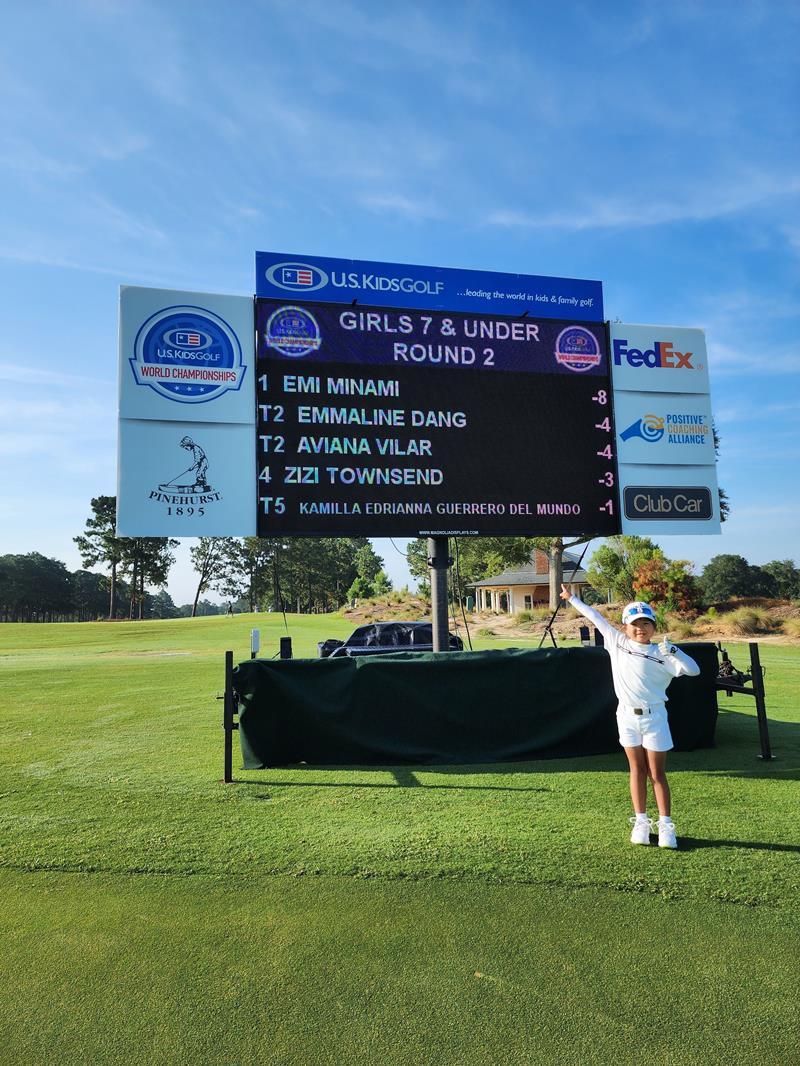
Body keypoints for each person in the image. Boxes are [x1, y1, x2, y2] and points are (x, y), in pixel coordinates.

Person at [560, 584, 700, 849]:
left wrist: (675, 651)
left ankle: (666, 826)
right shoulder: (617, 643)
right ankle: (641, 822)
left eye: (647, 623)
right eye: (635, 623)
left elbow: (693, 671)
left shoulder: (663, 654)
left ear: (654, 627)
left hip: (655, 718)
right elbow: (595, 617)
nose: (641, 628)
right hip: (626, 717)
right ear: (625, 626)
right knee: (636, 770)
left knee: (657, 773)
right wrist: (571, 598)